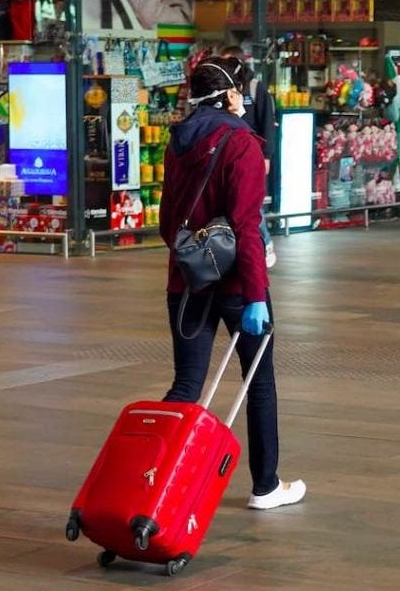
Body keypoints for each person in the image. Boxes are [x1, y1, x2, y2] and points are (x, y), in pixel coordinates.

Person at [158, 56, 306, 509]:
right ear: (230, 95)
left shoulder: (176, 142)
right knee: (258, 379)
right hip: (238, 285)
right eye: (241, 89)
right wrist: (257, 295)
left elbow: (168, 223)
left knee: (186, 385)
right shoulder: (240, 143)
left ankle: (152, 479)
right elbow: (246, 226)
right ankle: (265, 485)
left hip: (187, 280)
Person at [220, 44, 278, 268]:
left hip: (251, 156)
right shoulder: (225, 89)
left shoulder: (254, 88)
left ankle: (266, 242)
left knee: (252, 203)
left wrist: (266, 157)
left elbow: (267, 124)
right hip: (231, 156)